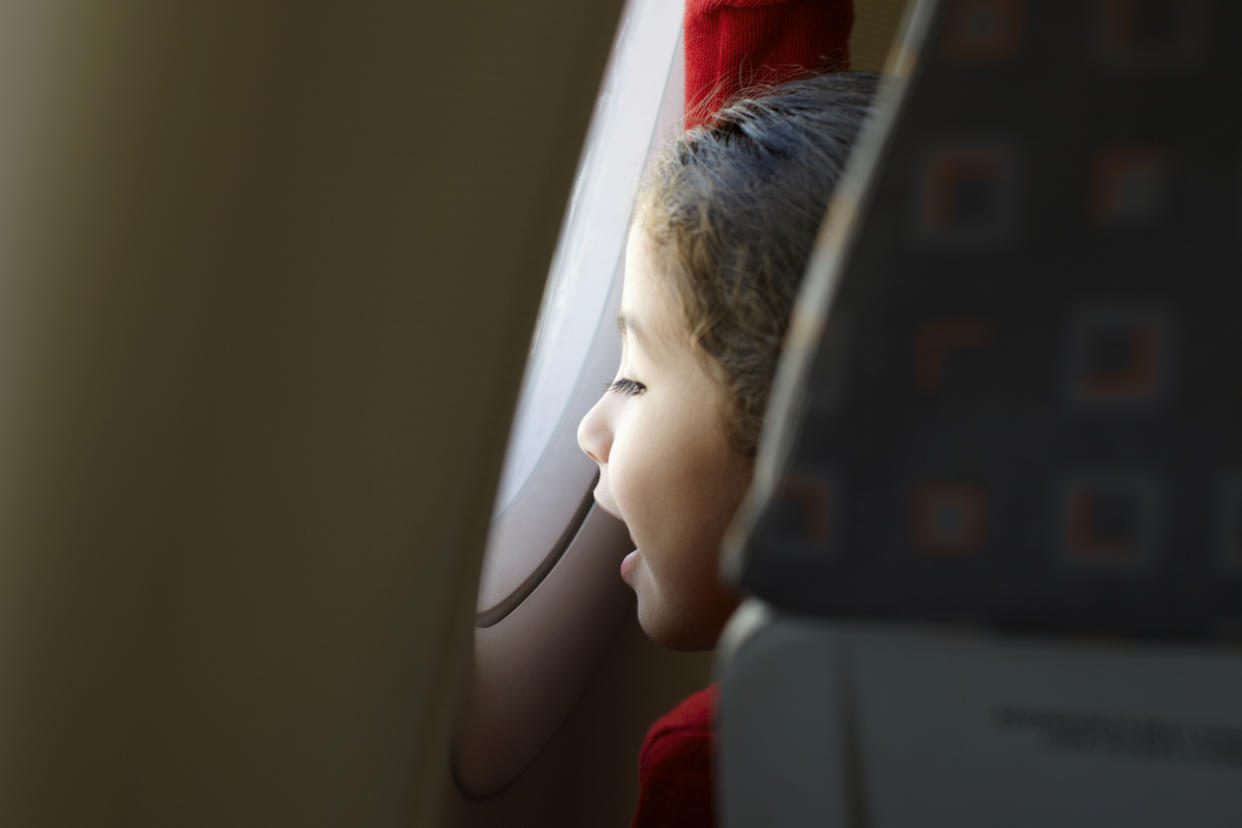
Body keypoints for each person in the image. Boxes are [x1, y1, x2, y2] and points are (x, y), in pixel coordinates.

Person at [576, 1, 875, 825]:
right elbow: (757, 241)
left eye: (633, 382)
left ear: (800, 435)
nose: (587, 431)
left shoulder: (730, 763)